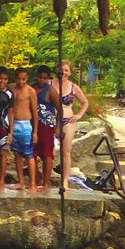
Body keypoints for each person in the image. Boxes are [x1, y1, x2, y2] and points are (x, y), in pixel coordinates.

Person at [53, 60, 90, 195]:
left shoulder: (73, 87)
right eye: (61, 69)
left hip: (68, 120)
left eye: (66, 70)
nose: (63, 72)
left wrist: (79, 115)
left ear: (70, 72)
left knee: (66, 152)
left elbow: (85, 102)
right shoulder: (50, 84)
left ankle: (64, 181)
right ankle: (46, 178)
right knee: (50, 151)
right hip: (52, 120)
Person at [9, 67, 38, 192]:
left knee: (28, 155)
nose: (21, 82)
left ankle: (32, 184)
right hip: (13, 124)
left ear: (27, 79)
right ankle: (21, 181)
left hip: (25, 125)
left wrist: (35, 132)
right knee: (17, 154)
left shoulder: (30, 91)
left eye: (23, 79)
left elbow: (34, 112)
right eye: (18, 79)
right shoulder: (11, 88)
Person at [31, 66, 58, 195]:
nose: (42, 80)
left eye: (45, 78)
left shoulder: (50, 90)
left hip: (47, 125)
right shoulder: (31, 87)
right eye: (40, 77)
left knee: (47, 154)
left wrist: (58, 127)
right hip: (32, 124)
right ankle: (36, 180)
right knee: (32, 153)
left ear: (48, 79)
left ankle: (46, 183)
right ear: (36, 76)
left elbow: (60, 108)